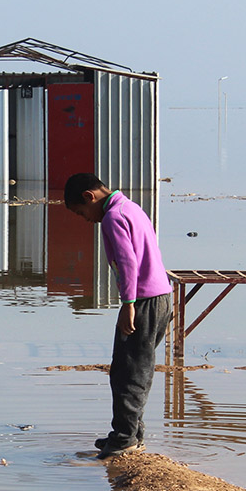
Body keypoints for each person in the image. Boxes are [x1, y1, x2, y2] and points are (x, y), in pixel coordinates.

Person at [63, 173, 172, 459]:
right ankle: (131, 433)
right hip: (161, 297)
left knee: (127, 372)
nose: (85, 219)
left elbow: (127, 262)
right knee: (137, 367)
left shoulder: (113, 217)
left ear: (89, 196)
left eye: (81, 212)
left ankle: (124, 440)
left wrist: (128, 304)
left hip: (144, 300)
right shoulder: (131, 207)